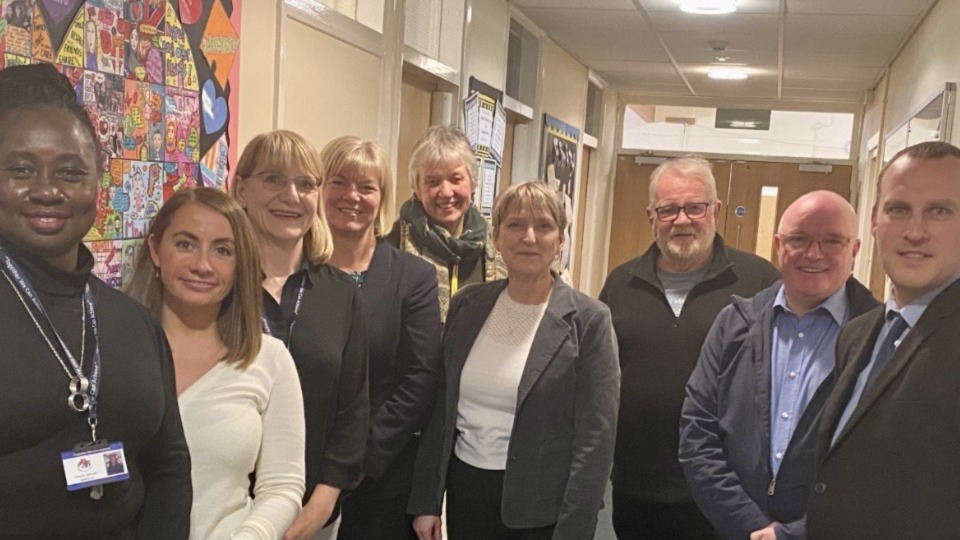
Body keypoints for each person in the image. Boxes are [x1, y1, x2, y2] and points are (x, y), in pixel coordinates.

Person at [0, 63, 190, 537]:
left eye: (70, 172)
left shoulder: (133, 322)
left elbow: (169, 464)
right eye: (20, 169)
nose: (46, 190)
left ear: (97, 186)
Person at [409, 181, 620, 540]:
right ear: (497, 238)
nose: (529, 237)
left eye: (544, 226)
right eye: (515, 225)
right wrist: (428, 500)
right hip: (467, 496)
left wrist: (574, 530)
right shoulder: (467, 305)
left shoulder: (589, 320)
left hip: (541, 511)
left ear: (561, 241)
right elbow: (441, 410)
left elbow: (595, 441)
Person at [679, 191, 879, 540]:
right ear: (778, 244)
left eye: (832, 241)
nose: (813, 253)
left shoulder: (879, 337)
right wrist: (752, 526)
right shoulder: (734, 324)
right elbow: (698, 435)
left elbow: (882, 465)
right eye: (798, 238)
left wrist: (794, 535)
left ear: (855, 250)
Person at [599, 156, 779, 539]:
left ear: (715, 211)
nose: (681, 220)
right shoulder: (620, 284)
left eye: (694, 207)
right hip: (638, 487)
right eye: (668, 210)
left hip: (729, 491)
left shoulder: (760, 281)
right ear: (652, 216)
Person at [126, 188, 306, 539]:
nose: (203, 265)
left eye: (222, 250)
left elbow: (283, 486)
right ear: (155, 250)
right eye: (185, 244)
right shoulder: (114, 353)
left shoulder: (268, 360)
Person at [808, 141, 960, 539]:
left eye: (940, 211)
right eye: (899, 210)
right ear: (874, 221)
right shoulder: (857, 335)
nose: (915, 232)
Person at [232, 130, 369, 540]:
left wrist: (319, 507)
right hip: (224, 512)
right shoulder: (216, 288)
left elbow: (353, 414)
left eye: (305, 183)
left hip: (313, 518)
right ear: (240, 189)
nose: (291, 196)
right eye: (273, 179)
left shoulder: (341, 295)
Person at [318, 136, 442, 540]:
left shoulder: (413, 277)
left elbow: (419, 380)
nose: (351, 196)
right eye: (339, 181)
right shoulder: (296, 272)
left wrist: (355, 461)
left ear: (382, 197)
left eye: (366, 187)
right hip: (298, 470)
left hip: (382, 477)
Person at [386, 125, 505, 321]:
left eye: (456, 179)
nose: (446, 192)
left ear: (473, 183)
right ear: (417, 188)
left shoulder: (498, 246)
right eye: (432, 182)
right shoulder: (392, 242)